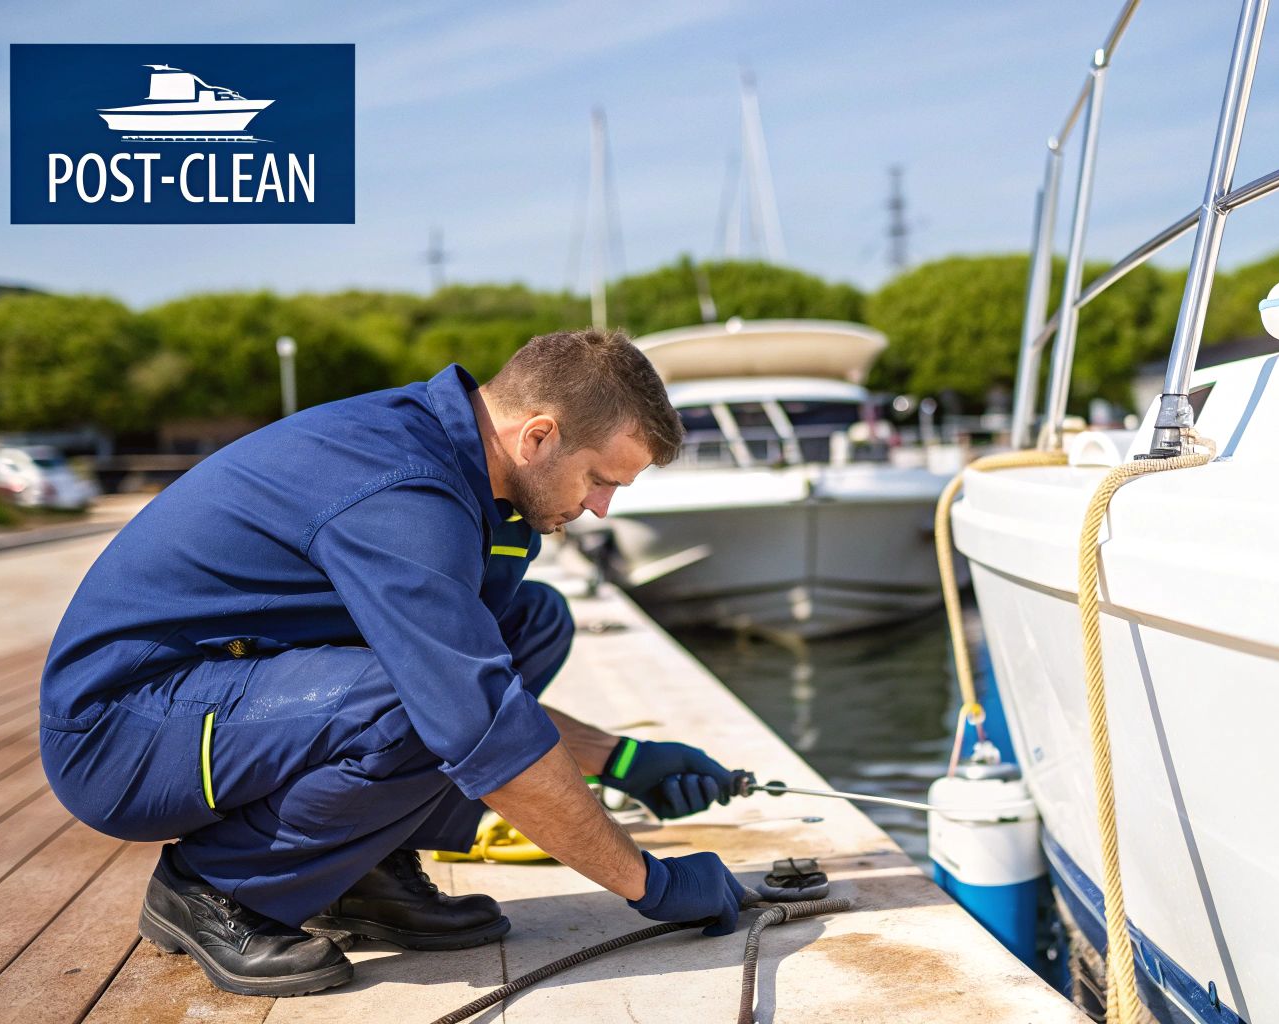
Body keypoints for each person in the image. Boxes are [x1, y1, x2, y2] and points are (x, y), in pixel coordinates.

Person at [38, 328, 747, 997]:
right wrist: (646, 883)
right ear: (538, 436)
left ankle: (362, 873)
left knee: (531, 624)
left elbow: (481, 680)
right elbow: (474, 722)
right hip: (120, 730)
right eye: (600, 479)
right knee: (419, 704)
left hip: (223, 691)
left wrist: (623, 760)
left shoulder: (487, 484)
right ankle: (215, 888)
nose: (600, 508)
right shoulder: (404, 488)